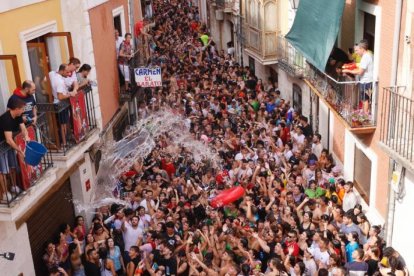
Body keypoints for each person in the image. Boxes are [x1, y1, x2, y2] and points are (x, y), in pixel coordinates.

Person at [0, 97, 29, 201]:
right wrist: (19, 150)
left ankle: (14, 186)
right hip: (1, 146)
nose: (23, 111)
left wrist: (26, 136)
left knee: (12, 167)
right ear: (16, 108)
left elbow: (23, 128)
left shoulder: (18, 115)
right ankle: (4, 193)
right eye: (22, 109)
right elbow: (8, 140)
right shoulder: (6, 119)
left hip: (9, 145)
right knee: (3, 171)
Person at [49, 63, 78, 146]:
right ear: (62, 71)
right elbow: (60, 96)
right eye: (67, 72)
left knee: (63, 123)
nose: (69, 74)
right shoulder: (60, 82)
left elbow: (44, 80)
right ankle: (64, 143)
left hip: (57, 102)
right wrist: (70, 94)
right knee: (63, 125)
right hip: (60, 104)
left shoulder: (52, 74)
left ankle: (64, 141)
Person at [342, 40, 374, 113]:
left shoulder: (365, 57)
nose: (356, 52)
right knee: (366, 99)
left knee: (365, 100)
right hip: (368, 81)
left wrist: (348, 71)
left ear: (362, 49)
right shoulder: (370, 55)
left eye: (357, 50)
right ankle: (365, 113)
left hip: (366, 82)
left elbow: (360, 71)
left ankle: (364, 116)